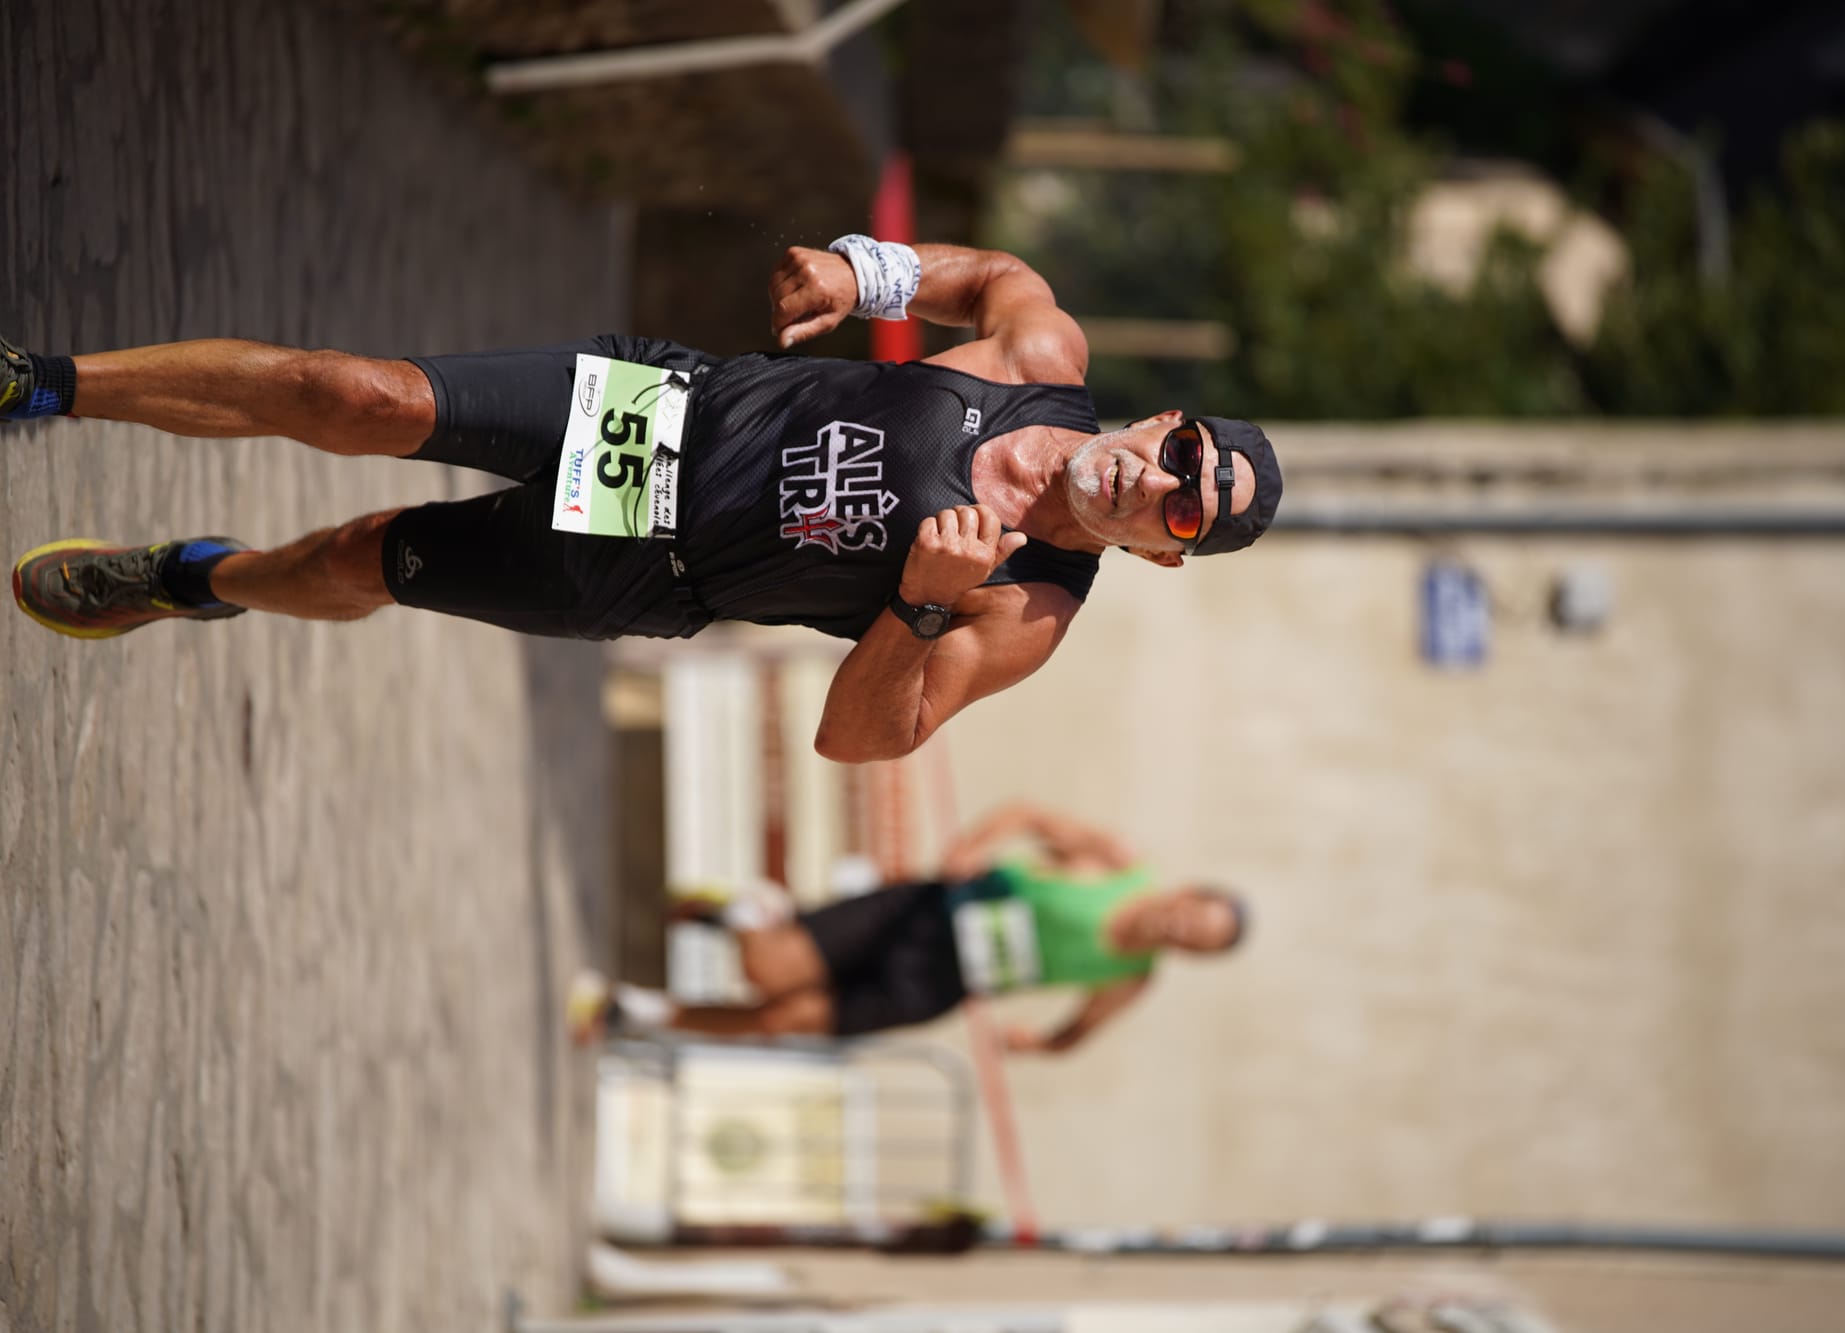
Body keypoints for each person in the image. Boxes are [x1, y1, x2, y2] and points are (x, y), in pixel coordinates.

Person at [6, 240, 1281, 760]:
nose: (1162, 483)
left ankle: (191, 580)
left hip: (644, 570)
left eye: (1186, 512)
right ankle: (46, 383)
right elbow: (994, 272)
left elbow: (860, 740)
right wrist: (860, 269)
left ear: (1165, 558)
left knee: (352, 557)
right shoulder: (1037, 365)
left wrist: (922, 609)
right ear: (1163, 421)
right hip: (658, 415)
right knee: (360, 394)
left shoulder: (1027, 610)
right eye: (1186, 455)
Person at [571, 801, 1248, 1049]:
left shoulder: (1132, 978)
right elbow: (1028, 817)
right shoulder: (1121, 864)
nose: (1180, 928)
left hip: (940, 985)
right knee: (766, 969)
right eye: (1193, 915)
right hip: (924, 915)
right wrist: (973, 846)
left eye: (1196, 939)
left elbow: (1079, 1031)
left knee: (779, 1020)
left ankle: (628, 1010)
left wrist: (1034, 1043)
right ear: (1184, 893)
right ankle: (749, 912)